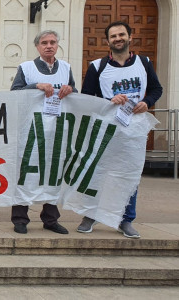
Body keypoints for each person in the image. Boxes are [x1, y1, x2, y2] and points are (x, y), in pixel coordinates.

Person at [77, 21, 162, 239]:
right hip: (106, 129)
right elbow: (87, 98)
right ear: (108, 41)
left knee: (130, 174)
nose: (118, 39)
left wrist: (147, 101)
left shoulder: (144, 63)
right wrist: (109, 100)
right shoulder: (98, 67)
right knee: (98, 172)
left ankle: (126, 219)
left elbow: (156, 89)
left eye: (121, 34)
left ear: (130, 37)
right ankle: (91, 215)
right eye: (113, 36)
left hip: (134, 131)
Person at [9, 30, 76, 235]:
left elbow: (75, 93)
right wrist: (35, 85)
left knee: (53, 171)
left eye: (53, 42)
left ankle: (50, 218)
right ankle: (20, 218)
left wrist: (70, 89)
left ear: (58, 45)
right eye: (44, 43)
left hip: (57, 129)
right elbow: (15, 92)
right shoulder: (27, 68)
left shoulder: (65, 68)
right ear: (38, 47)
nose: (49, 46)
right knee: (26, 171)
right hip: (32, 129)